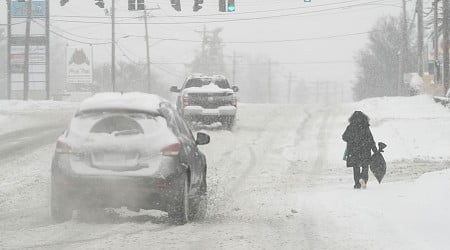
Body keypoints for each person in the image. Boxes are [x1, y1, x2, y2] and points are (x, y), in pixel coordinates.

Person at [342, 111, 377, 189]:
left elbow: (344, 137)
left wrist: (351, 139)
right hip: (365, 149)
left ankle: (357, 184)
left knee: (356, 167)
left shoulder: (350, 127)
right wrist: (374, 149)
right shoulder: (365, 127)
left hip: (354, 150)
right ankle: (363, 178)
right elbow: (370, 139)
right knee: (365, 166)